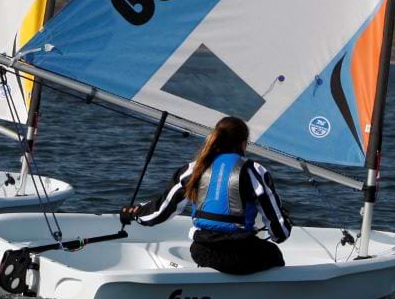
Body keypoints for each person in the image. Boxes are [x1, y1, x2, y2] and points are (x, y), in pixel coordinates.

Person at [121, 116, 292, 275]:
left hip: (202, 252)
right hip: (240, 255)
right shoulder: (254, 171)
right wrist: (284, 223)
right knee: (273, 252)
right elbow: (280, 233)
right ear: (243, 144)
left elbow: (160, 212)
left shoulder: (194, 168)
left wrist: (135, 213)